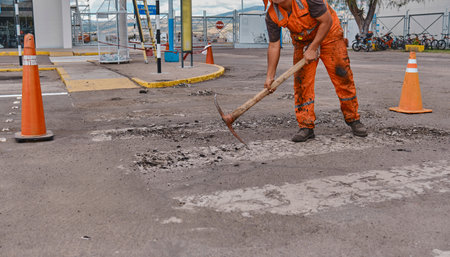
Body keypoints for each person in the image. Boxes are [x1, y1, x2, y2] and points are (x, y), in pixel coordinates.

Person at [263, 0, 368, 142]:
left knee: (342, 76)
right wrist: (270, 76)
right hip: (302, 40)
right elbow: (274, 45)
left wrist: (313, 48)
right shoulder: (272, 15)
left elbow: (326, 21)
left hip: (329, 34)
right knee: (302, 84)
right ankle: (306, 126)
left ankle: (353, 119)